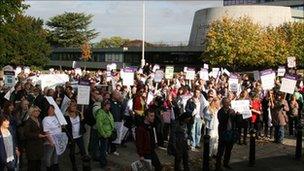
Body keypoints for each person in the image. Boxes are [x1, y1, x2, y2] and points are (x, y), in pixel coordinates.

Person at [215, 97, 237, 171]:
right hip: (223, 132)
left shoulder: (232, 111)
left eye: (228, 102)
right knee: (221, 150)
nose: (227, 104)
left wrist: (238, 116)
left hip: (231, 132)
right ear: (223, 103)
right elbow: (222, 120)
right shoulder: (220, 111)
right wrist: (228, 114)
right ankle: (218, 165)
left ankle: (226, 163)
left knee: (228, 150)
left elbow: (236, 121)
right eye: (225, 102)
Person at [64, 101, 87, 171]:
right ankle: (74, 165)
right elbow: (65, 128)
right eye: (72, 106)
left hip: (79, 136)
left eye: (75, 106)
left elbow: (83, 124)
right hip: (72, 137)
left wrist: (83, 117)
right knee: (72, 153)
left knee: (83, 151)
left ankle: (85, 165)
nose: (74, 107)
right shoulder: (66, 116)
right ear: (69, 107)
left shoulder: (79, 114)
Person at [23, 106, 46, 171]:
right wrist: (37, 135)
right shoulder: (28, 121)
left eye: (38, 111)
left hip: (39, 145)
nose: (37, 112)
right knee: (32, 165)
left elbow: (41, 130)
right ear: (31, 112)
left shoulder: (39, 119)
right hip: (31, 146)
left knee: (38, 163)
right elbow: (26, 134)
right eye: (35, 111)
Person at [95, 100, 115, 168]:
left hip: (109, 133)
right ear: (104, 106)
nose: (109, 106)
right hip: (104, 134)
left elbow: (111, 121)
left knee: (105, 149)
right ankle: (103, 163)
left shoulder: (108, 112)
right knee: (103, 149)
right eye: (108, 105)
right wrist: (104, 134)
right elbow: (99, 125)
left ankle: (104, 161)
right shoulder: (100, 113)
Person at [42, 105, 62, 171]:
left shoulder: (56, 117)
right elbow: (46, 131)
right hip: (50, 141)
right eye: (50, 109)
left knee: (56, 154)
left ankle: (56, 166)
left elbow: (59, 127)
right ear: (47, 110)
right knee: (49, 156)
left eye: (52, 109)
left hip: (57, 140)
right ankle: (48, 167)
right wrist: (51, 141)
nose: (51, 110)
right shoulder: (45, 119)